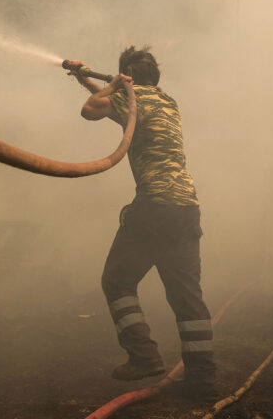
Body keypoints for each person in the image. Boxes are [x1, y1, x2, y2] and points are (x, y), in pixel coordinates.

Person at [67, 46, 216, 399]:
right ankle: (203, 379)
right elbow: (120, 107)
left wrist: (112, 84)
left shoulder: (134, 99)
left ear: (128, 76)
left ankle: (144, 356)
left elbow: (91, 112)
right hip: (185, 207)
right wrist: (84, 78)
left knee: (117, 280)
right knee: (187, 297)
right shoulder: (167, 102)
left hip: (154, 207)